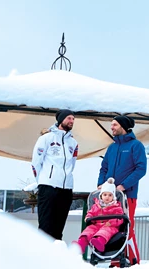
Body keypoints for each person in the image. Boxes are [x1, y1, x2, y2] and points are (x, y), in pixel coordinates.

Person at [97, 114, 147, 261]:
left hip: (127, 196)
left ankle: (133, 261)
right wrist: (101, 184)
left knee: (127, 228)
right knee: (111, 228)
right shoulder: (111, 147)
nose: (111, 127)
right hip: (109, 197)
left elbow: (141, 169)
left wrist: (123, 186)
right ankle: (116, 261)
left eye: (115, 125)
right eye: (112, 125)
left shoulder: (136, 146)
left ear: (123, 127)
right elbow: (103, 168)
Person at [31, 109, 79, 241]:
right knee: (46, 226)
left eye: (73, 119)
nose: (71, 121)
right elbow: (36, 162)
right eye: (69, 118)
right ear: (61, 120)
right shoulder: (46, 138)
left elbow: (72, 164)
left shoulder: (73, 143)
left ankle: (56, 256)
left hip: (66, 189)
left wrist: (68, 178)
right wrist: (42, 180)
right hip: (48, 187)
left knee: (59, 227)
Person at [75, 180, 125, 255]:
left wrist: (111, 222)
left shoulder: (116, 207)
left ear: (113, 197)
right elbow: (91, 213)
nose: (107, 197)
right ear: (101, 196)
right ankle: (81, 244)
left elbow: (120, 218)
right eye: (105, 195)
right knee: (88, 231)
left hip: (110, 226)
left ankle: (99, 242)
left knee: (104, 232)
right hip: (96, 225)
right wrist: (88, 217)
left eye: (110, 195)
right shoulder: (96, 206)